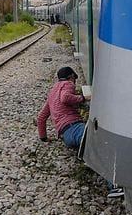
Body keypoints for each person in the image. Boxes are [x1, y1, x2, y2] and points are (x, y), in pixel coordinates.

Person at [37, 66, 122, 197]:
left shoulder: (52, 92)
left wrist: (43, 138)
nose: (74, 84)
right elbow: (65, 98)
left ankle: (91, 162)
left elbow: (41, 118)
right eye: (74, 80)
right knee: (101, 142)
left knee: (90, 149)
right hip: (74, 128)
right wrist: (82, 98)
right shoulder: (67, 84)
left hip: (66, 135)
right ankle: (114, 187)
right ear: (71, 76)